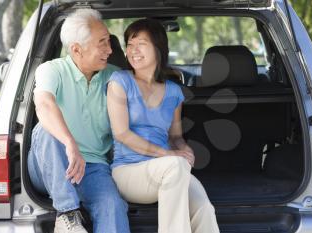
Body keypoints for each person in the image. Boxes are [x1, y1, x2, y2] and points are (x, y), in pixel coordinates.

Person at [106, 18, 220, 233]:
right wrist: (167, 155)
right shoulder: (119, 81)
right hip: (129, 171)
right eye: (129, 44)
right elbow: (121, 133)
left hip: (167, 169)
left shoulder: (174, 91)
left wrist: (183, 150)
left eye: (141, 44)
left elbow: (175, 136)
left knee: (204, 208)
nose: (133, 51)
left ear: (158, 49)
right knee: (176, 166)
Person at [27, 9, 130, 233]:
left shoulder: (115, 77)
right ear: (76, 49)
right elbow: (44, 104)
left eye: (109, 42)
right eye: (102, 43)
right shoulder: (51, 70)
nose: (110, 49)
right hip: (47, 164)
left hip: (92, 167)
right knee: (45, 131)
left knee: (112, 205)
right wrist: (69, 143)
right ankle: (67, 214)